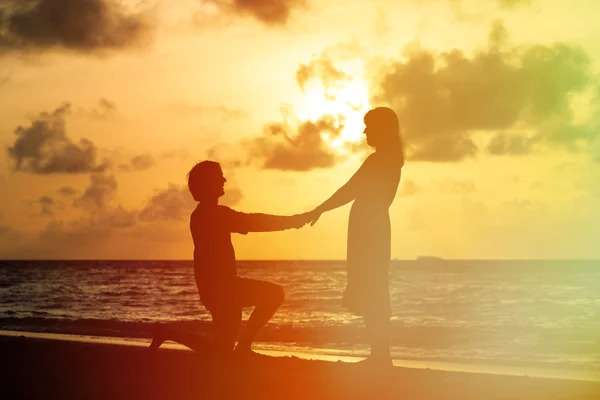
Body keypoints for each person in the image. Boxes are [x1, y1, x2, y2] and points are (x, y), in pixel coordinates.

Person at [150, 160, 308, 356]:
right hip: (222, 290)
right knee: (274, 294)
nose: (224, 179)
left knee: (221, 350)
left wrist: (291, 222)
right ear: (208, 183)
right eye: (219, 176)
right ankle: (242, 348)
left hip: (219, 289)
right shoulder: (212, 214)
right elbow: (253, 222)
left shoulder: (203, 214)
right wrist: (292, 221)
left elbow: (250, 221)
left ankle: (167, 333)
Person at [306, 107, 404, 367]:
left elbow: (350, 189)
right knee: (373, 287)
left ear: (382, 129)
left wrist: (321, 208)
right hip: (372, 226)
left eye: (369, 126)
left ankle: (381, 355)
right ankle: (380, 354)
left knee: (372, 288)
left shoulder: (380, 160)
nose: (364, 131)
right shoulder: (392, 158)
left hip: (369, 229)